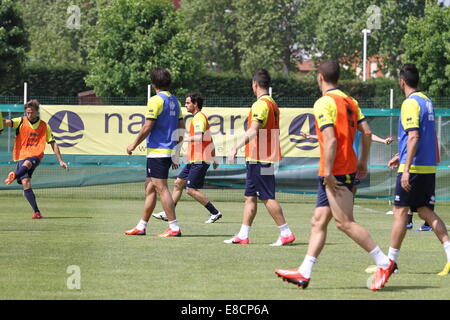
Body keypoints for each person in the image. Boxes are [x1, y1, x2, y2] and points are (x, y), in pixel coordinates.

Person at [275, 60, 393, 291]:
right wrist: (362, 162)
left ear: (319, 77)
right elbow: (367, 132)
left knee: (345, 223)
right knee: (318, 221)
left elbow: (330, 139)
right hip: (344, 168)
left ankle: (385, 262)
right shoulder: (350, 101)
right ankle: (304, 273)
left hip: (335, 171)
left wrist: (328, 173)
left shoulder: (323, 103)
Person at [381, 64, 450, 277]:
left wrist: (407, 168)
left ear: (402, 81)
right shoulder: (426, 101)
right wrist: (399, 156)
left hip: (415, 167)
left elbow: (414, 136)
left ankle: (389, 263)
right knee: (425, 211)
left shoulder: (410, 103)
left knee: (401, 211)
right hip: (427, 166)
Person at [225, 69, 295, 246]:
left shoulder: (260, 104)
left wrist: (235, 147)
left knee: (267, 196)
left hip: (260, 157)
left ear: (254, 84)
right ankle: (243, 234)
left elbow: (253, 130)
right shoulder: (272, 102)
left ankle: (285, 232)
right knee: (250, 196)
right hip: (261, 156)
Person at [125, 67, 185, 238]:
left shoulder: (155, 100)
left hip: (158, 151)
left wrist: (133, 144)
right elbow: (181, 129)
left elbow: (147, 126)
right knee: (150, 188)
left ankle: (174, 227)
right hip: (166, 151)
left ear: (154, 83)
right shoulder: (175, 101)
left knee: (161, 188)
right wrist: (176, 151)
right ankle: (141, 226)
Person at [151, 92, 223, 224]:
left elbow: (199, 137)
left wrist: (183, 138)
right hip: (194, 160)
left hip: (200, 160)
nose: (185, 105)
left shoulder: (199, 118)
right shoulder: (197, 118)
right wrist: (215, 158)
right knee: (178, 183)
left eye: (188, 103)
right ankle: (168, 212)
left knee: (191, 190)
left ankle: (215, 212)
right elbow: (209, 139)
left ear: (195, 104)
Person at [3, 100, 69, 219]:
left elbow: (53, 143)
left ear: (36, 112)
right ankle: (37, 212)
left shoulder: (44, 125)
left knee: (28, 163)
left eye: (31, 112)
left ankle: (14, 175)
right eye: (27, 112)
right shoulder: (21, 121)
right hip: (21, 155)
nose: (29, 115)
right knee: (25, 183)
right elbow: (7, 122)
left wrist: (60, 160)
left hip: (36, 155)